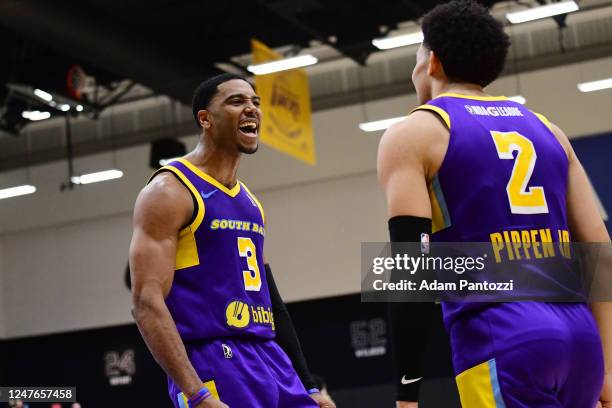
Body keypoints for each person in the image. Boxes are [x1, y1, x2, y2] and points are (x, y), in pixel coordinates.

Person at [377, 1, 612, 407]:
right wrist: (607, 366)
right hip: (580, 338)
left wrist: (407, 392)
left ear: (431, 61)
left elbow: (410, 273)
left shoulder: (414, 133)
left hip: (502, 334)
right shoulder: (549, 130)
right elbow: (600, 253)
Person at [129, 73, 335, 408]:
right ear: (205, 119)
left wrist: (309, 385)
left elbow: (274, 301)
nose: (252, 108)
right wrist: (196, 393)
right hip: (214, 358)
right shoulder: (169, 191)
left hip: (268, 355)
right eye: (237, 101)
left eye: (255, 101)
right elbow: (146, 302)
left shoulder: (251, 202)